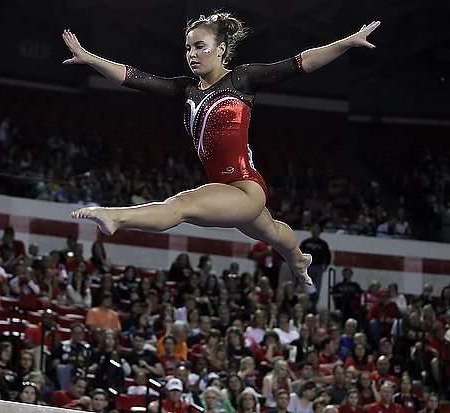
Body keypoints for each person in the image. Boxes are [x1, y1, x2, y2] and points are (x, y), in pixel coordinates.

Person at [63, 15, 380, 287]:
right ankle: (299, 258)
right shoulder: (184, 89)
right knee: (273, 232)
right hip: (227, 194)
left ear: (221, 49)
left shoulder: (241, 79)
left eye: (200, 46)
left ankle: (115, 217)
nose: (192, 54)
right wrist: (90, 58)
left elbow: (301, 63)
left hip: (245, 187)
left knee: (182, 205)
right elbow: (133, 78)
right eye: (188, 47)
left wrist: (347, 42)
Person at [299, 224, 332, 309]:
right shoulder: (306, 242)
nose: (315, 233)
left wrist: (326, 265)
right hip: (307, 267)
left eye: (317, 231)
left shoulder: (323, 244)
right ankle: (304, 305)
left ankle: (313, 306)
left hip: (317, 267)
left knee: (316, 288)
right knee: (305, 287)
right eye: (314, 231)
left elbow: (327, 255)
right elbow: (299, 253)